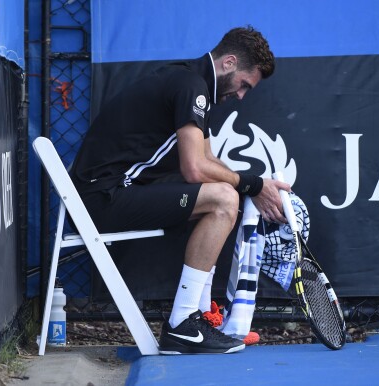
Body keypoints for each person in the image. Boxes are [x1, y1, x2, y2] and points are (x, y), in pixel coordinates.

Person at [70, 26, 291, 354]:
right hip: (102, 198)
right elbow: (195, 169)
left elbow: (208, 161)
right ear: (229, 62)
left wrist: (251, 187)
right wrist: (253, 184)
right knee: (223, 198)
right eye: (245, 85)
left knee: (225, 194)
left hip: (113, 192)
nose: (242, 96)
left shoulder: (193, 82)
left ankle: (200, 317)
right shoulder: (191, 86)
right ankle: (182, 325)